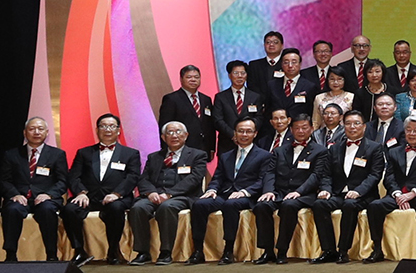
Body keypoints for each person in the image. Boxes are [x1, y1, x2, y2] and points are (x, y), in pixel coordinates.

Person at [63, 114, 142, 266]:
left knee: (116, 208)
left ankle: (113, 250)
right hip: (89, 197)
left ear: (118, 130)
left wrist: (117, 194)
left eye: (112, 126)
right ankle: (79, 251)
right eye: (103, 126)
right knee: (69, 209)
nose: (107, 129)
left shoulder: (131, 153)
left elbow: (132, 177)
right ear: (97, 130)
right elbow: (73, 176)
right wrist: (81, 193)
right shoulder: (84, 153)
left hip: (116, 197)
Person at [192, 118, 271, 264]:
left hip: (248, 196)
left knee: (231, 205)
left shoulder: (264, 155)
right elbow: (217, 178)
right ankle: (198, 250)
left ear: (255, 134)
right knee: (199, 204)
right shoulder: (226, 155)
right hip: (225, 193)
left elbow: (262, 181)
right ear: (235, 133)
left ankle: (228, 250)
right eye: (241, 131)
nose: (244, 134)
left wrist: (244, 192)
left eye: (248, 131)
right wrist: (212, 189)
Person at [365, 116, 416, 263]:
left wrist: (413, 193)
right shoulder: (394, 151)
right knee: (375, 206)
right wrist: (398, 194)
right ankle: (377, 249)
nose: (412, 133)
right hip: (398, 194)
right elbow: (389, 177)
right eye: (408, 130)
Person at [253, 114, 328, 264]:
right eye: (297, 128)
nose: (300, 131)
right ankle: (268, 251)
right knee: (261, 206)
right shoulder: (279, 150)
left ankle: (282, 251)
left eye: (304, 127)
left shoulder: (320, 151)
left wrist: (298, 192)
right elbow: (270, 172)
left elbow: (316, 176)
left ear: (311, 129)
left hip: (304, 194)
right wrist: (269, 191)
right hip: (280, 192)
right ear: (291, 130)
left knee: (289, 206)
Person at [310, 111, 383, 263]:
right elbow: (326, 174)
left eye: (356, 123)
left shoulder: (374, 148)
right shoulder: (334, 148)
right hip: (339, 194)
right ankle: (329, 250)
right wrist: (326, 190)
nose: (352, 127)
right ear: (344, 126)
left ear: (364, 127)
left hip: (363, 195)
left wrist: (358, 191)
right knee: (319, 204)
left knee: (350, 205)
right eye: (348, 123)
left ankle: (343, 250)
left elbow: (374, 175)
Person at [129, 121, 206, 265]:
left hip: (182, 196)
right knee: (138, 208)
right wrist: (150, 192)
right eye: (170, 132)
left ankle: (166, 252)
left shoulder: (197, 155)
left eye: (178, 132)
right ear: (163, 137)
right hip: (156, 195)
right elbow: (143, 178)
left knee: (166, 207)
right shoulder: (154, 157)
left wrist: (170, 194)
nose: (174, 135)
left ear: (186, 135)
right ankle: (142, 252)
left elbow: (194, 179)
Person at [2, 117, 68, 263]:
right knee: (12, 210)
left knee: (47, 210)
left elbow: (63, 181)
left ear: (47, 132)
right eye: (32, 129)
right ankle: (10, 254)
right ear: (25, 132)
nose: (36, 132)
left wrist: (49, 194)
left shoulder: (57, 154)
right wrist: (15, 194)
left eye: (40, 129)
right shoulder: (12, 154)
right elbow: (4, 180)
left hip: (46, 199)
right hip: (20, 198)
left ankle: (51, 254)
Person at [159, 65, 218, 157]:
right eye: (189, 77)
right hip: (181, 148)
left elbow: (210, 125)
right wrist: (167, 149)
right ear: (181, 79)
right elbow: (165, 126)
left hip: (203, 148)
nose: (193, 80)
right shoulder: (171, 99)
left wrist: (212, 148)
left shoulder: (206, 99)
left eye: (196, 77)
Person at [214, 61, 271, 154]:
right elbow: (218, 120)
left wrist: (248, 133)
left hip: (250, 142)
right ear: (229, 75)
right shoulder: (221, 97)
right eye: (236, 73)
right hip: (227, 143)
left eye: (243, 73)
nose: (240, 76)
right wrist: (234, 135)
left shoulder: (255, 97)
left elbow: (259, 117)